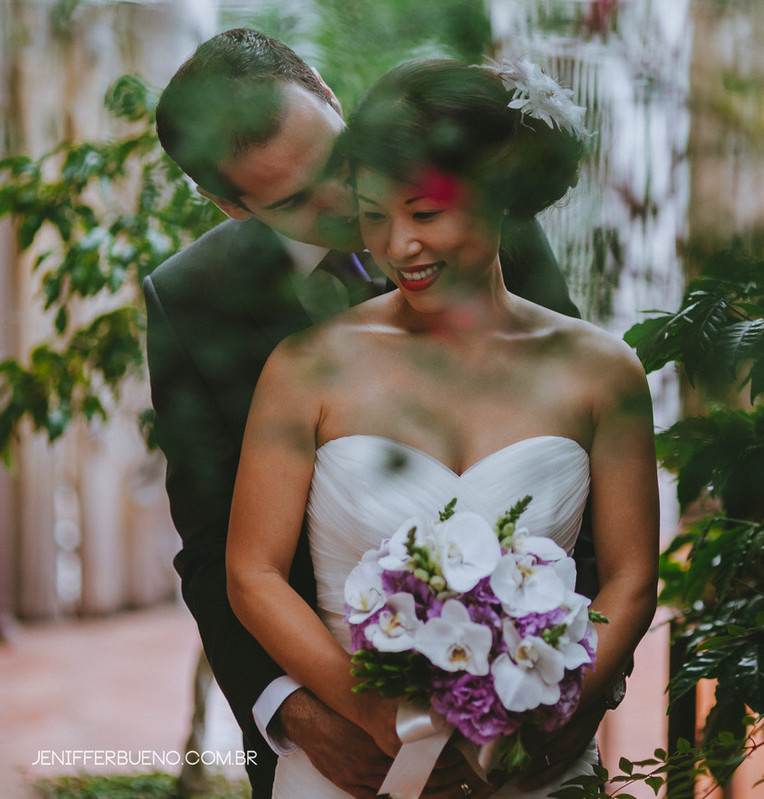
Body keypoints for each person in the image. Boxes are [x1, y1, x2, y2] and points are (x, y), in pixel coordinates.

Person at [143, 29, 587, 799]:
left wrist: (584, 688)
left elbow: (575, 444)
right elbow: (214, 546)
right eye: (291, 201)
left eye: (335, 161)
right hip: (337, 742)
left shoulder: (475, 205)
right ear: (228, 202)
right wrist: (300, 715)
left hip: (531, 719)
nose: (343, 202)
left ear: (327, 92)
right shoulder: (192, 301)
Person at [225, 57, 659, 799]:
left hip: (539, 763)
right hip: (355, 766)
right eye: (373, 215)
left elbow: (631, 574)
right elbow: (250, 571)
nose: (397, 246)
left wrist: (568, 703)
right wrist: (368, 712)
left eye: (424, 213)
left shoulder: (603, 373)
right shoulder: (305, 368)